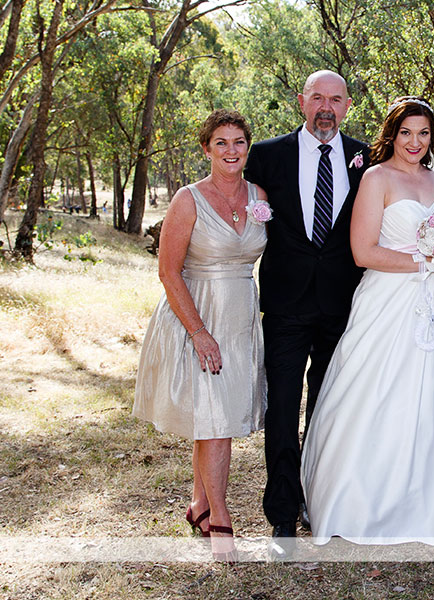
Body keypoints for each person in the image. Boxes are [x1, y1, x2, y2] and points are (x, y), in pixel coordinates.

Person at [300, 97, 434, 545]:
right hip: (387, 300)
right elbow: (365, 252)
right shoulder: (376, 177)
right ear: (393, 133)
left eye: (423, 134)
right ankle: (357, 498)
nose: (415, 142)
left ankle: (426, 494)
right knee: (376, 391)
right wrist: (426, 261)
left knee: (433, 391)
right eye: (406, 133)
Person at [133, 109, 267, 561]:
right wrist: (199, 333)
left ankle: (198, 505)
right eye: (221, 143)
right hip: (199, 315)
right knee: (217, 422)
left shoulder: (259, 195)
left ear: (248, 147)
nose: (232, 151)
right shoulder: (188, 200)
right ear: (206, 148)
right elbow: (168, 272)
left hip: (242, 315)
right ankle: (221, 519)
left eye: (239, 142)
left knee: (216, 416)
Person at [243, 70, 370, 546]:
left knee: (329, 405)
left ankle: (320, 498)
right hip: (285, 304)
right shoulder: (267, 156)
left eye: (335, 99)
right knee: (282, 408)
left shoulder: (367, 158)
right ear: (301, 101)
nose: (325, 107)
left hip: (343, 303)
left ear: (348, 105)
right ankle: (281, 510)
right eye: (317, 97)